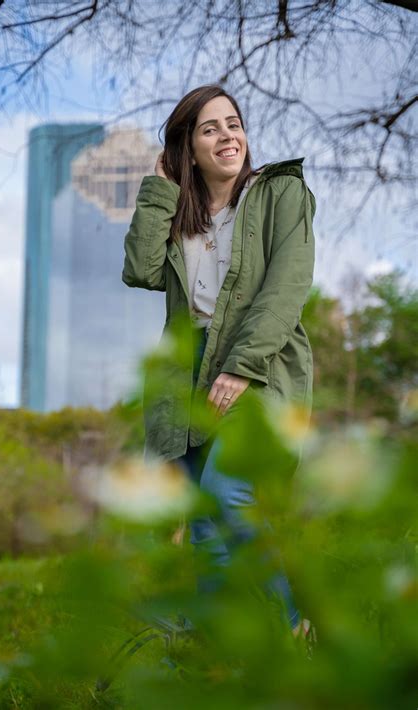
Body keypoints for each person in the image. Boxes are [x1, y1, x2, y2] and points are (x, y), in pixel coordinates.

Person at [122, 84, 317, 643]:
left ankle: (285, 634)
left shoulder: (280, 193)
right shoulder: (181, 212)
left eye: (233, 123)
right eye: (210, 128)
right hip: (185, 376)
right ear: (187, 146)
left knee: (230, 495)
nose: (228, 136)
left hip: (258, 362)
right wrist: (159, 189)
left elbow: (287, 287)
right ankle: (216, 648)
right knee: (204, 512)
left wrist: (241, 365)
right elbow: (139, 268)